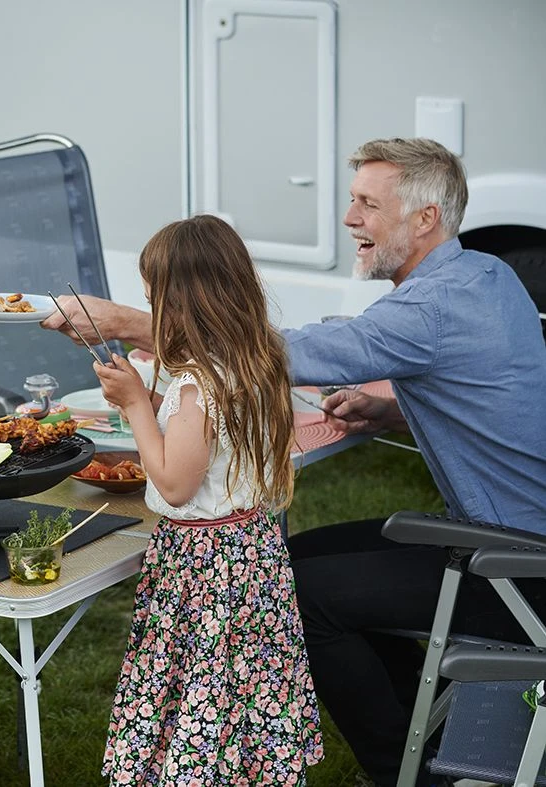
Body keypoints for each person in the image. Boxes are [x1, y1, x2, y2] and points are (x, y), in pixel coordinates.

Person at [44, 138, 546, 786]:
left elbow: (291, 351)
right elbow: (486, 389)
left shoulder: (434, 305)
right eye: (351, 200)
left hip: (516, 564)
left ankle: (409, 772)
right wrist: (393, 410)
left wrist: (146, 322)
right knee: (293, 563)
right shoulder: (486, 274)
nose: (348, 219)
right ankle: (422, 739)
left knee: (295, 596)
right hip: (504, 532)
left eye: (367, 203)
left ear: (424, 219)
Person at [92, 214, 323, 785]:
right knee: (240, 686)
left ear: (183, 303)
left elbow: (174, 483)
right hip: (249, 554)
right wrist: (150, 398)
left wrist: (137, 407)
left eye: (154, 298)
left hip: (205, 566)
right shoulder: (255, 361)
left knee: (202, 683)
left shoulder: (198, 385)